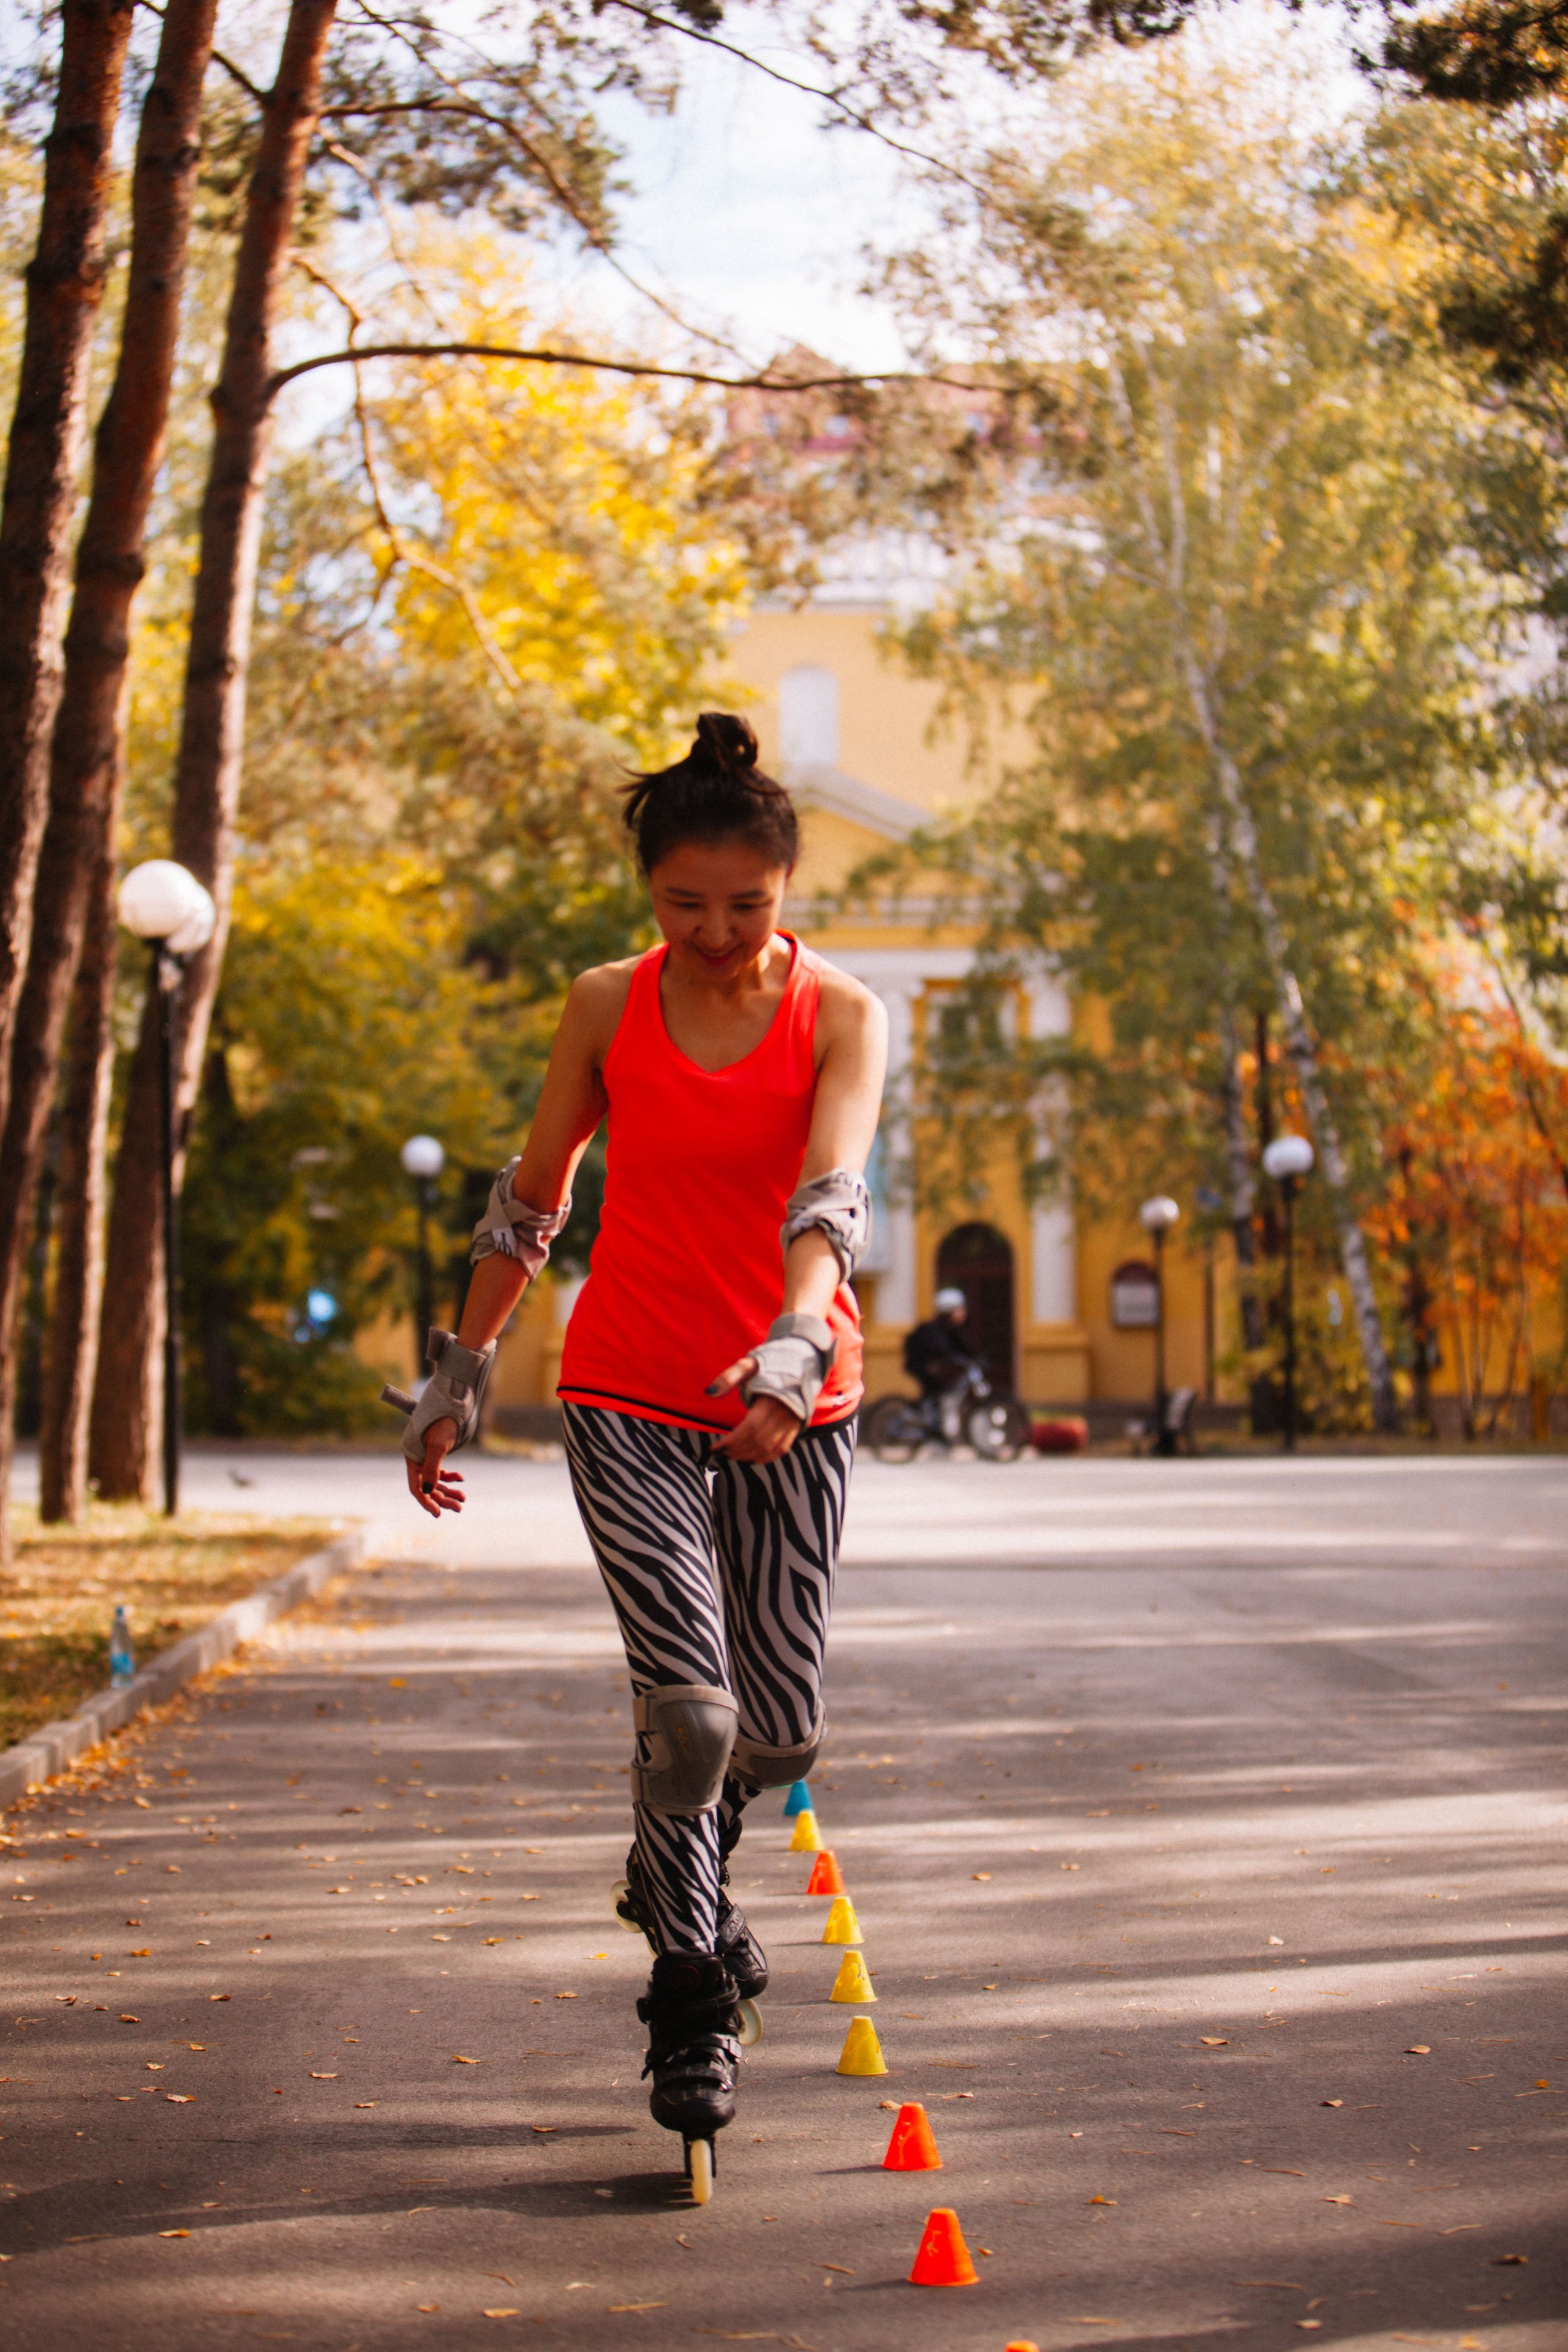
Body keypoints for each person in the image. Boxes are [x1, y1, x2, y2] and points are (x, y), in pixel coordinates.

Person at [399, 712, 887, 2183]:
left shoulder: (843, 1011)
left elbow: (832, 1194)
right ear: (648, 894)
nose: (722, 932)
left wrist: (797, 1339)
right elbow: (532, 1194)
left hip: (797, 1396)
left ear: (786, 886)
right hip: (624, 1389)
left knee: (775, 1727)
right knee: (687, 1716)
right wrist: (461, 1364)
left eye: (749, 904)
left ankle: (670, 1859)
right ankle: (689, 1997)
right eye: (687, 905)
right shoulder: (608, 1003)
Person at [902, 1286, 981, 1412]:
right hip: (922, 1366)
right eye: (959, 1310)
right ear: (948, 1311)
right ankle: (924, 1415)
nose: (963, 1313)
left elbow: (962, 1346)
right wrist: (951, 1358)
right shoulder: (934, 1330)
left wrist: (976, 1357)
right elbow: (940, 1348)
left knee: (944, 1389)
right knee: (935, 1389)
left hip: (934, 1366)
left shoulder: (951, 1329)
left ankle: (935, 1415)